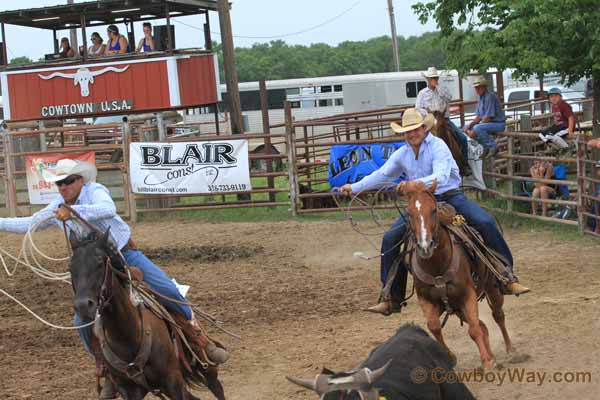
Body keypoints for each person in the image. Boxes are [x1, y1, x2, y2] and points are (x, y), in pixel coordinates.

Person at [0, 159, 229, 399]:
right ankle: (105, 367)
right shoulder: (59, 206)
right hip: (95, 266)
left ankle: (199, 341)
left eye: (68, 181)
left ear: (80, 180)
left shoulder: (95, 191)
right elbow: (30, 223)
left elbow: (107, 209)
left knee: (168, 291)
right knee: (81, 319)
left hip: (125, 254)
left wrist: (75, 212)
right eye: (59, 183)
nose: (63, 187)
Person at [339, 108, 530, 315]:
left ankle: (506, 277)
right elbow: (382, 174)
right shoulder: (402, 154)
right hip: (421, 203)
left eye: (416, 129)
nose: (412, 134)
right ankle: (391, 297)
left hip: (449, 196)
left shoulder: (438, 146)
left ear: (424, 128)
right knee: (390, 238)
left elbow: (441, 176)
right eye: (408, 131)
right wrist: (355, 187)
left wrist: (414, 184)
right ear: (404, 133)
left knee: (485, 222)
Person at [416, 66, 469, 166]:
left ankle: (465, 164)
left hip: (444, 119)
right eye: (432, 78)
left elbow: (449, 98)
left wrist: (438, 87)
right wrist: (428, 113)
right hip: (429, 121)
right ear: (428, 79)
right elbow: (418, 108)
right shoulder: (422, 93)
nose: (434, 80)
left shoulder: (443, 90)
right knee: (419, 140)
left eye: (435, 78)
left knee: (462, 138)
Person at [464, 76, 506, 159]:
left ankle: (493, 146)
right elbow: (479, 116)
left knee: (477, 129)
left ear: (484, 87)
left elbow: (488, 117)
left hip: (498, 124)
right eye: (476, 87)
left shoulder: (489, 97)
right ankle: (486, 147)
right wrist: (469, 125)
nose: (477, 89)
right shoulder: (480, 97)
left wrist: (475, 129)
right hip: (490, 124)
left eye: (479, 87)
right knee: (466, 128)